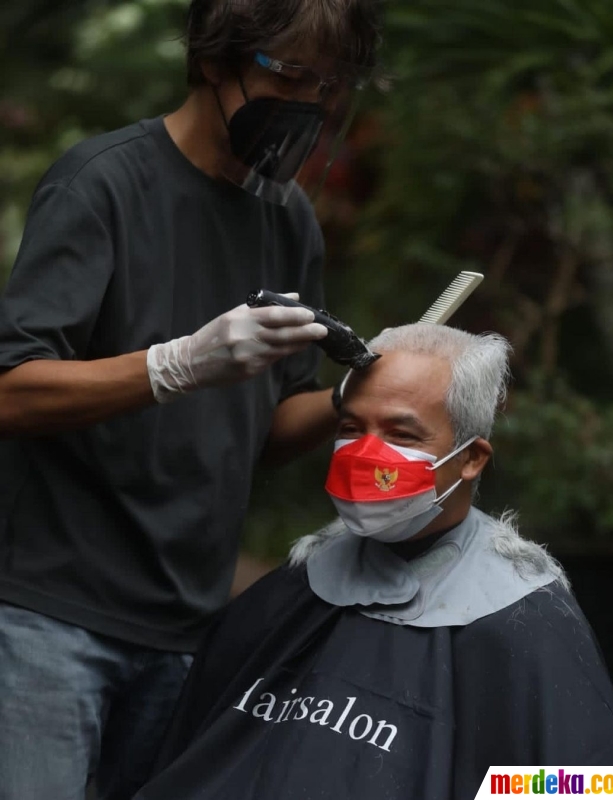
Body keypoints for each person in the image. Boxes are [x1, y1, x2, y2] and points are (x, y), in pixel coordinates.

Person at [0, 1, 381, 798]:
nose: (311, 105)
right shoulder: (101, 183)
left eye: (331, 85)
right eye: (292, 74)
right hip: (49, 619)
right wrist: (177, 363)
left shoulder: (289, 221)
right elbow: (12, 391)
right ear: (215, 60)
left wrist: (362, 388)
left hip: (188, 630)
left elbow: (268, 429)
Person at [134, 322, 613, 800]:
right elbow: (198, 746)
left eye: (402, 434)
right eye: (352, 428)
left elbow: (598, 783)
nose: (366, 455)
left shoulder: (522, 617)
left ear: (471, 458)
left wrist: (481, 782)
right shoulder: (292, 590)